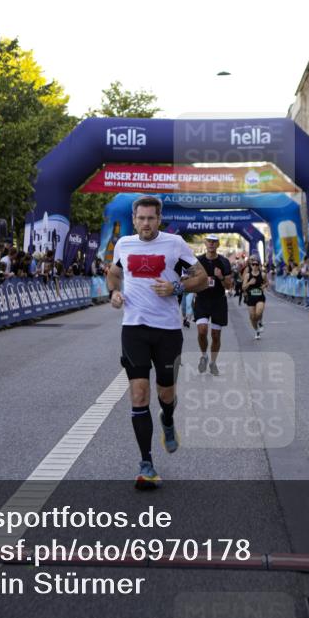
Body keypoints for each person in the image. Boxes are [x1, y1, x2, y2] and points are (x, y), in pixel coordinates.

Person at [106, 195, 207, 489]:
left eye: (151, 218)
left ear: (159, 219)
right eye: (141, 218)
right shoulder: (124, 245)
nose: (146, 223)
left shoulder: (175, 244)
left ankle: (168, 417)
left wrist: (176, 286)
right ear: (134, 219)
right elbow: (113, 273)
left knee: (166, 392)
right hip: (134, 328)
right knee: (139, 394)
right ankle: (146, 463)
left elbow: (202, 278)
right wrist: (113, 294)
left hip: (167, 330)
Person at [193, 235, 233, 375]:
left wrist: (221, 277)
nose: (211, 244)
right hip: (202, 300)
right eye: (209, 241)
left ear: (218, 244)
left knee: (216, 335)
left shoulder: (224, 262)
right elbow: (189, 279)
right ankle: (204, 355)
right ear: (205, 243)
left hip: (218, 301)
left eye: (214, 242)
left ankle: (213, 362)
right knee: (202, 330)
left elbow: (229, 285)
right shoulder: (197, 261)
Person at [242, 256, 269, 339]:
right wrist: (249, 283)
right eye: (253, 264)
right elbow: (243, 287)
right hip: (250, 298)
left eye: (256, 264)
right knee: (252, 317)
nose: (255, 266)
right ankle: (257, 330)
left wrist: (264, 286)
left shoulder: (263, 274)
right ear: (251, 265)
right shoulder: (247, 275)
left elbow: (267, 283)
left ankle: (260, 321)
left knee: (259, 312)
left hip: (260, 296)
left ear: (259, 266)